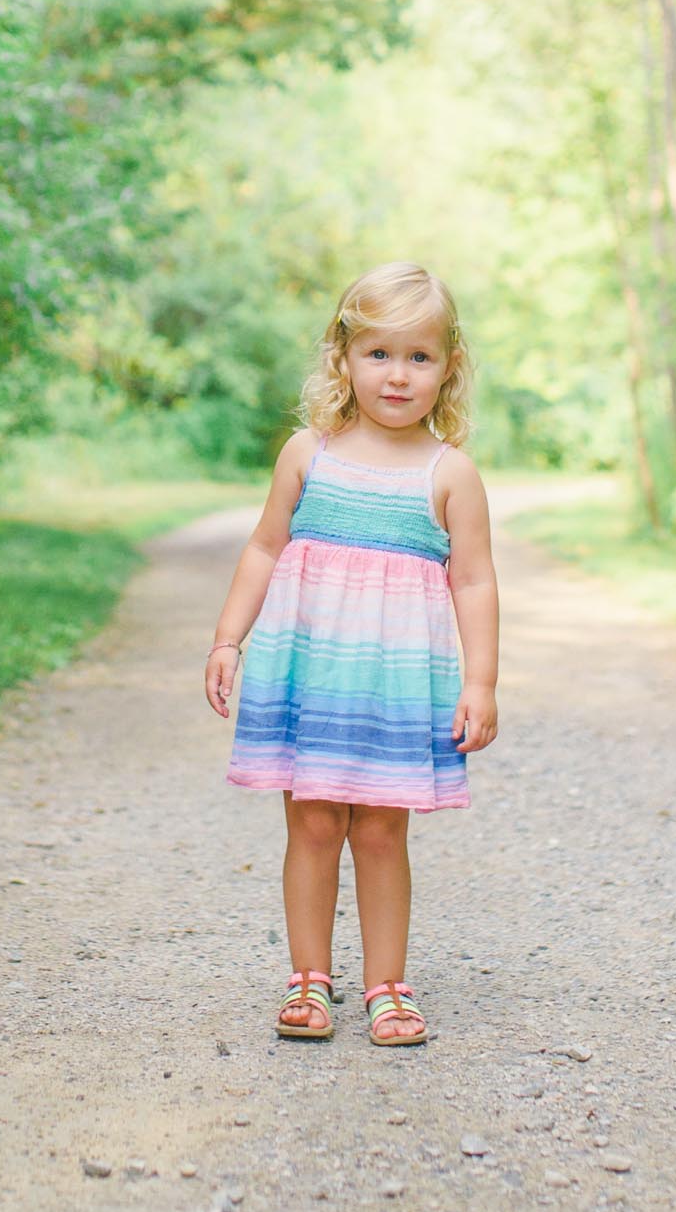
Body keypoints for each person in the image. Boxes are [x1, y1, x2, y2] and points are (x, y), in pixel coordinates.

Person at [204, 260, 499, 1048]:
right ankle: (309, 979)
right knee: (311, 827)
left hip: (391, 690)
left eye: (419, 357)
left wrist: (481, 682)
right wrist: (229, 636)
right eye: (378, 354)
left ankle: (387, 985)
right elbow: (265, 549)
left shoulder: (450, 474)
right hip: (313, 678)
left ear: (448, 368)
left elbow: (472, 582)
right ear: (344, 358)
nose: (397, 376)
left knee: (378, 833)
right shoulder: (309, 453)